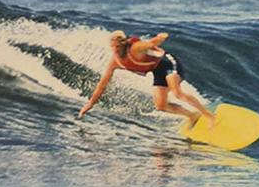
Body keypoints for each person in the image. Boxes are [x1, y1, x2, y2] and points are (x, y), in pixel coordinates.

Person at [78, 30, 216, 126]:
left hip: (168, 63)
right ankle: (192, 116)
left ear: (123, 44)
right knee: (161, 106)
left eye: (117, 47)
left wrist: (160, 37)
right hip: (157, 71)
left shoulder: (135, 48)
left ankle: (209, 116)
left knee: (177, 92)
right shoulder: (115, 62)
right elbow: (103, 84)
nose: (115, 50)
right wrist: (90, 104)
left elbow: (150, 44)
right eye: (113, 47)